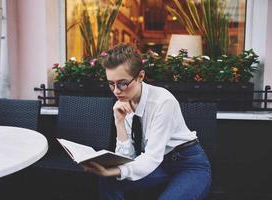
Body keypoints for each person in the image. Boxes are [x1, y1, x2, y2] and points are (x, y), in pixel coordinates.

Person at [82, 43, 212, 200]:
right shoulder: (124, 103)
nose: (116, 90)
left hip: (188, 165)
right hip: (159, 166)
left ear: (140, 76)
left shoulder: (163, 101)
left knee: (113, 175)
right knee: (109, 181)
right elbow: (128, 157)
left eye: (122, 83)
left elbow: (151, 157)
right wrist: (119, 122)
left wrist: (112, 170)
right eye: (111, 84)